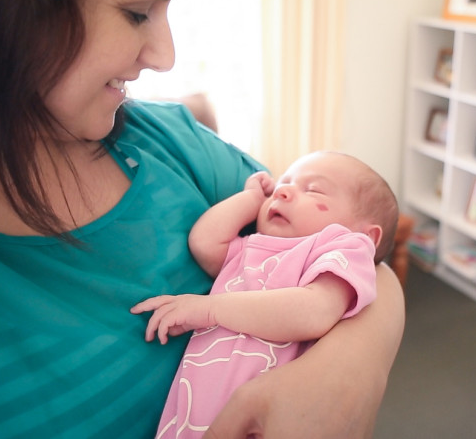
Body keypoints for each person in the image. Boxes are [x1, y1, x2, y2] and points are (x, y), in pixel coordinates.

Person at [0, 0, 405, 438]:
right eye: (136, 12)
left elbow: (365, 264)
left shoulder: (171, 140)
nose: (164, 55)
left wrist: (351, 373)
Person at [131, 151, 399, 438]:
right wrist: (251, 199)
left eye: (313, 189)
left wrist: (210, 309)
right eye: (284, 182)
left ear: (365, 237)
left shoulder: (339, 254)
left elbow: (315, 311)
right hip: (190, 418)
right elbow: (204, 242)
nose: (283, 191)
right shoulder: (249, 249)